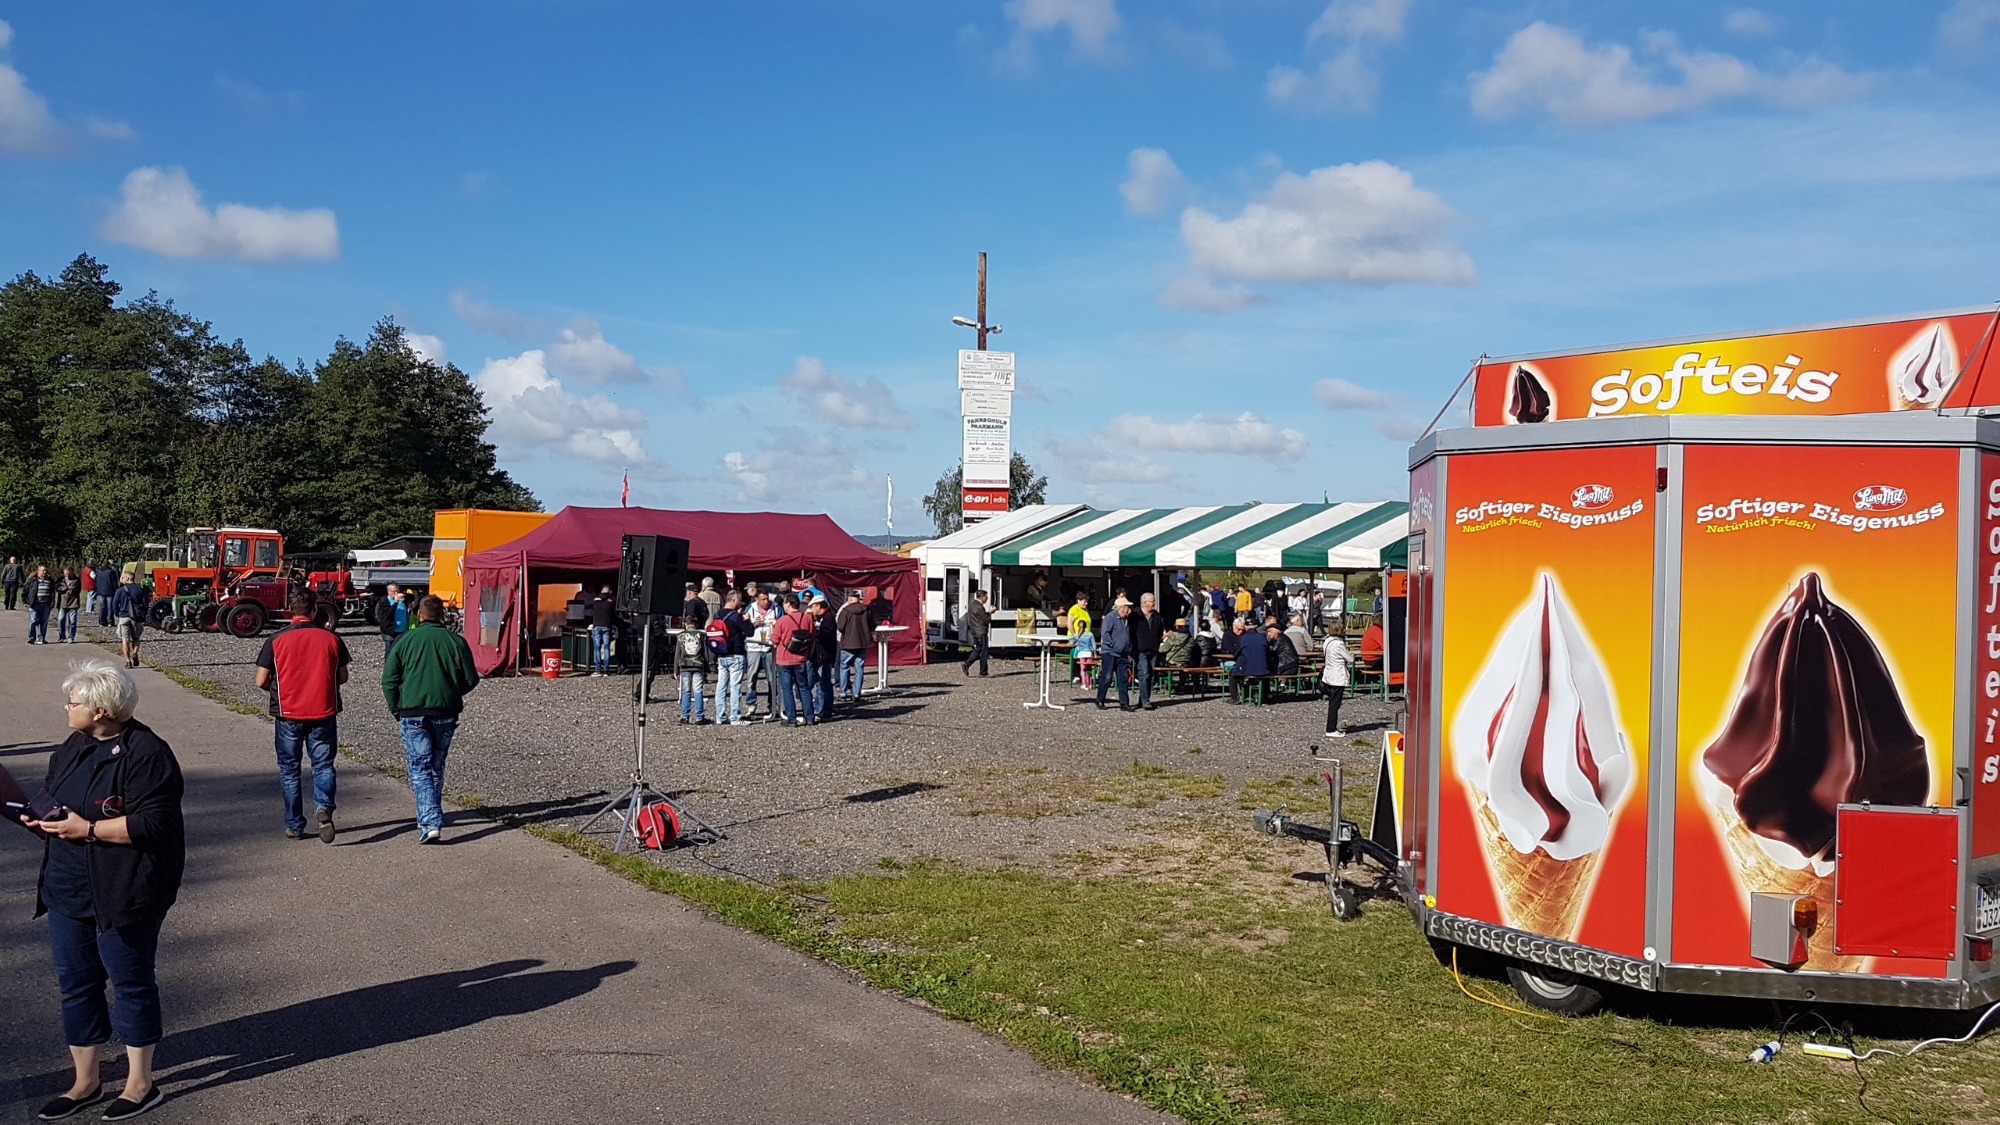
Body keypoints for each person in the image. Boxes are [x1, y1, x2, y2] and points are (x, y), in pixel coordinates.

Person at [23, 659, 184, 1122]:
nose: (65, 707)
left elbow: (155, 824)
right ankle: (85, 1082)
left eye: (72, 701)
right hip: (67, 886)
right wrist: (40, 818)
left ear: (99, 710)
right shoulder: (73, 746)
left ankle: (140, 1084)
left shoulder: (147, 753)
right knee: (76, 983)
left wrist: (89, 829)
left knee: (131, 983)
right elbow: (55, 796)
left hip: (124, 888)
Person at [255, 589, 351, 842]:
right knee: (323, 765)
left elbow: (260, 680)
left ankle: (295, 824)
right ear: (315, 610)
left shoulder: (276, 640)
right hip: (323, 710)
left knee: (290, 770)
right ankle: (323, 807)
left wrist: (278, 690)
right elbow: (343, 677)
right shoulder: (332, 639)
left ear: (290, 610)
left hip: (289, 713)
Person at [382, 596, 479, 843]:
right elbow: (471, 678)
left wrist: (396, 707)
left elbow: (389, 679)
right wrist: (451, 691)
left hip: (413, 711)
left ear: (420, 616)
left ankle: (429, 821)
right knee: (436, 765)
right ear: (442, 616)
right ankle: (431, 814)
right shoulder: (456, 641)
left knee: (420, 767)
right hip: (445, 712)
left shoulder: (405, 641)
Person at [770, 593, 817, 726]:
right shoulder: (807, 618)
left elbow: (775, 640)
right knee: (804, 688)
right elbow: (813, 637)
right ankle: (810, 718)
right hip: (801, 657)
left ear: (789, 604)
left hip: (784, 658)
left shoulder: (782, 620)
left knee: (787, 689)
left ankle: (792, 719)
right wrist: (808, 654)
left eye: (785, 603)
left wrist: (773, 629)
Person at [710, 590, 749, 725]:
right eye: (739, 601)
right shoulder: (736, 617)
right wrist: (747, 619)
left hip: (721, 653)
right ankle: (735, 717)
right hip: (736, 653)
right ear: (734, 600)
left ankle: (720, 716)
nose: (740, 603)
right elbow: (749, 632)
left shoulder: (717, 615)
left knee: (721, 686)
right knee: (735, 687)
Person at [744, 588, 780, 721]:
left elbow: (782, 623)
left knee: (772, 679)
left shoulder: (776, 608)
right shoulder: (750, 609)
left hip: (770, 648)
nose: (766, 602)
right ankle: (751, 704)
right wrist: (754, 624)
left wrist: (776, 624)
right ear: (757, 599)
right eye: (763, 599)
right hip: (753, 647)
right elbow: (744, 627)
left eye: (767, 599)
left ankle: (773, 705)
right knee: (751, 677)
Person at [674, 604, 713, 725]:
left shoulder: (681, 636)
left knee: (686, 691)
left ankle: (685, 716)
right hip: (697, 665)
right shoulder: (701, 635)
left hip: (685, 666)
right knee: (698, 691)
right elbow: (704, 653)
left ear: (686, 624)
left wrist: (675, 669)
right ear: (695, 624)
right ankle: (700, 717)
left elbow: (677, 654)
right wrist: (707, 667)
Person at [1096, 596, 1136, 711]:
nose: (1129, 610)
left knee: (1123, 678)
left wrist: (1128, 647)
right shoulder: (1110, 617)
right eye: (1127, 608)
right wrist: (1113, 644)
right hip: (1110, 652)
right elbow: (1105, 633)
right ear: (1121, 608)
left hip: (1123, 653)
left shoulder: (1126, 620)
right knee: (1107, 677)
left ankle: (1124, 703)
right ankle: (1100, 700)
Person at [835, 589, 871, 700]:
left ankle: (843, 692)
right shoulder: (866, 610)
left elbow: (840, 627)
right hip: (862, 643)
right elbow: (872, 625)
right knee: (859, 668)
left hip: (848, 643)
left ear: (850, 599)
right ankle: (856, 693)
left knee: (844, 667)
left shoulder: (845, 611)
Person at [1132, 592, 1164, 711]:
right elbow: (1131, 633)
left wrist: (1157, 642)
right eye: (1152, 601)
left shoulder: (1156, 616)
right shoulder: (1135, 615)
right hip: (1140, 650)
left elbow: (1159, 631)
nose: (1154, 603)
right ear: (1145, 603)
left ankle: (1143, 699)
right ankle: (1146, 701)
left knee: (1150, 675)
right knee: (1144, 674)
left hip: (1153, 650)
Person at [810, 594, 840, 720]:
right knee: (822, 683)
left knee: (822, 683)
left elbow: (824, 636)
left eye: (813, 606)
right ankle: (824, 708)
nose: (811, 609)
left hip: (824, 655)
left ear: (818, 606)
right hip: (822, 655)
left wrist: (815, 632)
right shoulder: (823, 618)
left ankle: (821, 709)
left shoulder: (828, 618)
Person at [110, 572, 148, 668]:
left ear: (127, 578)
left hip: (124, 616)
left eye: (123, 577)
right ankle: (135, 653)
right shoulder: (140, 589)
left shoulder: (120, 590)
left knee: (125, 639)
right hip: (137, 617)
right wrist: (143, 614)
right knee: (136, 638)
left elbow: (114, 604)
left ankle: (127, 661)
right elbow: (146, 603)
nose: (122, 579)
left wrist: (117, 614)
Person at [1229, 617, 1270, 703]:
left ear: (1245, 627)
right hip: (1263, 669)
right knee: (1263, 669)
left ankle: (1235, 697)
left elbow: (1235, 654)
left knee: (1232, 673)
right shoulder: (1263, 637)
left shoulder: (1242, 638)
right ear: (1256, 626)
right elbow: (1267, 653)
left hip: (1247, 669)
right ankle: (1264, 695)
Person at [1322, 629, 1353, 737]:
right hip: (1337, 676)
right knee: (1335, 704)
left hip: (1328, 674)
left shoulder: (1327, 641)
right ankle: (1331, 729)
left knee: (1332, 702)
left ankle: (1331, 727)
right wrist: (1352, 655)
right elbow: (1350, 659)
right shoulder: (1339, 644)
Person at [587, 586, 618, 676]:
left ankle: (598, 670)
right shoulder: (612, 600)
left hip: (596, 625)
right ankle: (606, 670)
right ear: (610, 591)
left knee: (597, 648)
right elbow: (614, 614)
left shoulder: (595, 599)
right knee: (607, 648)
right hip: (607, 626)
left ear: (601, 591)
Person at [959, 588, 991, 677]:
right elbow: (986, 620)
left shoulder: (972, 605)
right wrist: (990, 613)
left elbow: (978, 617)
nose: (987, 598)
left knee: (978, 649)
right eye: (986, 597)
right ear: (981, 596)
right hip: (981, 631)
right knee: (984, 652)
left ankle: (967, 664)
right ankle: (983, 671)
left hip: (974, 631)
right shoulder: (979, 607)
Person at [372, 583, 410, 657]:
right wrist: (395, 603)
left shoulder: (402, 601)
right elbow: (388, 614)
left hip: (402, 630)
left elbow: (412, 598)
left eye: (397, 591)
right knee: (390, 652)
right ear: (389, 591)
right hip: (390, 632)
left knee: (401, 652)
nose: (396, 593)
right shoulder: (384, 601)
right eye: (394, 591)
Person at [24, 564, 54, 643]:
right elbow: (25, 591)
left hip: (46, 604)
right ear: (38, 571)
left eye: (46, 570)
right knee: (33, 621)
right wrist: (25, 601)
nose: (45, 572)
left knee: (44, 622)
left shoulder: (50, 580)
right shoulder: (32, 580)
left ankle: (41, 638)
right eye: (43, 570)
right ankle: (32, 637)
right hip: (35, 604)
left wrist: (52, 601)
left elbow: (52, 592)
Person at [55, 566, 81, 643]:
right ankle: (62, 636)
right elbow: (57, 588)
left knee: (72, 621)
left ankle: (71, 636)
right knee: (61, 619)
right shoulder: (60, 579)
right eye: (65, 574)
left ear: (72, 572)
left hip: (73, 603)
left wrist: (71, 590)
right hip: (62, 603)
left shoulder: (77, 580)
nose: (67, 575)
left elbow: (77, 590)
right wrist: (65, 589)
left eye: (68, 574)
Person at [95, 561, 119, 628]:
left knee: (102, 607)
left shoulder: (98, 572)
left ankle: (102, 622)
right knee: (110, 607)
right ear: (108, 565)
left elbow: (96, 581)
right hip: (110, 591)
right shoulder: (111, 572)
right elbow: (114, 582)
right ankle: (110, 621)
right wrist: (116, 590)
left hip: (101, 591)